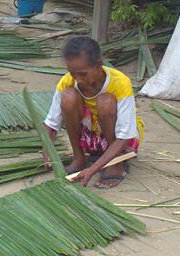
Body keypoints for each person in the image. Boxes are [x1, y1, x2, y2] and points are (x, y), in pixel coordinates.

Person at [43, 36, 144, 188]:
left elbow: (125, 135)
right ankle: (79, 158)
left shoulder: (120, 83)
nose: (77, 79)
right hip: (91, 138)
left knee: (105, 102)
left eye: (83, 74)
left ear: (98, 65)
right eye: (72, 73)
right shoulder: (68, 81)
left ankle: (116, 162)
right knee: (69, 97)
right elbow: (51, 123)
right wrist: (46, 149)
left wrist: (94, 168)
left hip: (121, 140)